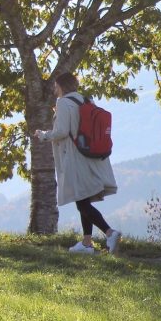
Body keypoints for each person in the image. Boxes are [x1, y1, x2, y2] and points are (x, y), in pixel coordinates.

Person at [32, 72, 121, 254]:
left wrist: (43, 135)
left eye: (56, 86)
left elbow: (62, 131)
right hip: (88, 155)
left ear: (61, 86)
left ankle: (109, 232)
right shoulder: (85, 100)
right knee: (83, 198)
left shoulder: (63, 102)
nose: (55, 89)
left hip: (74, 158)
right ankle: (87, 243)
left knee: (81, 202)